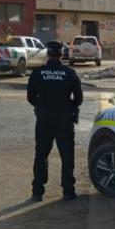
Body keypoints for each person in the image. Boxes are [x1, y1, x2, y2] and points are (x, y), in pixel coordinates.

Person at [27, 41, 83, 202]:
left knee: (41, 154)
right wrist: (69, 107)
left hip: (44, 119)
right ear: (62, 54)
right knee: (67, 155)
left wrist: (42, 106)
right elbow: (78, 99)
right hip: (64, 119)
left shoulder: (38, 73)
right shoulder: (70, 73)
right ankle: (68, 190)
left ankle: (37, 191)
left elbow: (31, 98)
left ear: (48, 54)